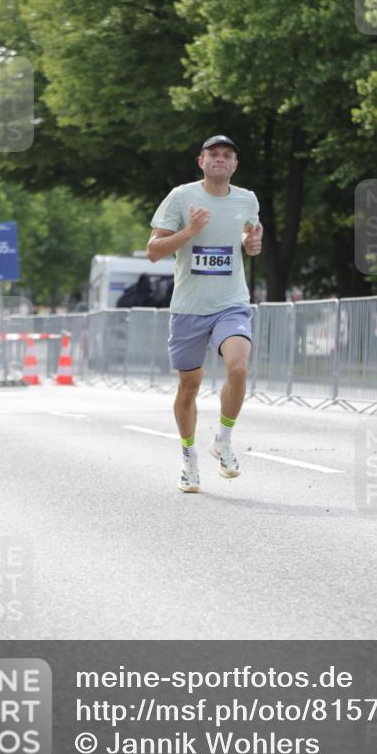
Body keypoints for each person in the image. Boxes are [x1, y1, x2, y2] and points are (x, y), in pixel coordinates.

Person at [147, 135, 263, 492]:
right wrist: (192, 230)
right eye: (213, 154)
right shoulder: (181, 197)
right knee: (189, 387)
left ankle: (223, 440)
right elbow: (153, 251)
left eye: (227, 155)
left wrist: (250, 243)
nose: (220, 159)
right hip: (189, 308)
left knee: (238, 366)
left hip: (231, 302)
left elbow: (249, 232)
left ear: (234, 165)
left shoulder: (247, 199)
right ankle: (188, 458)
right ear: (201, 162)